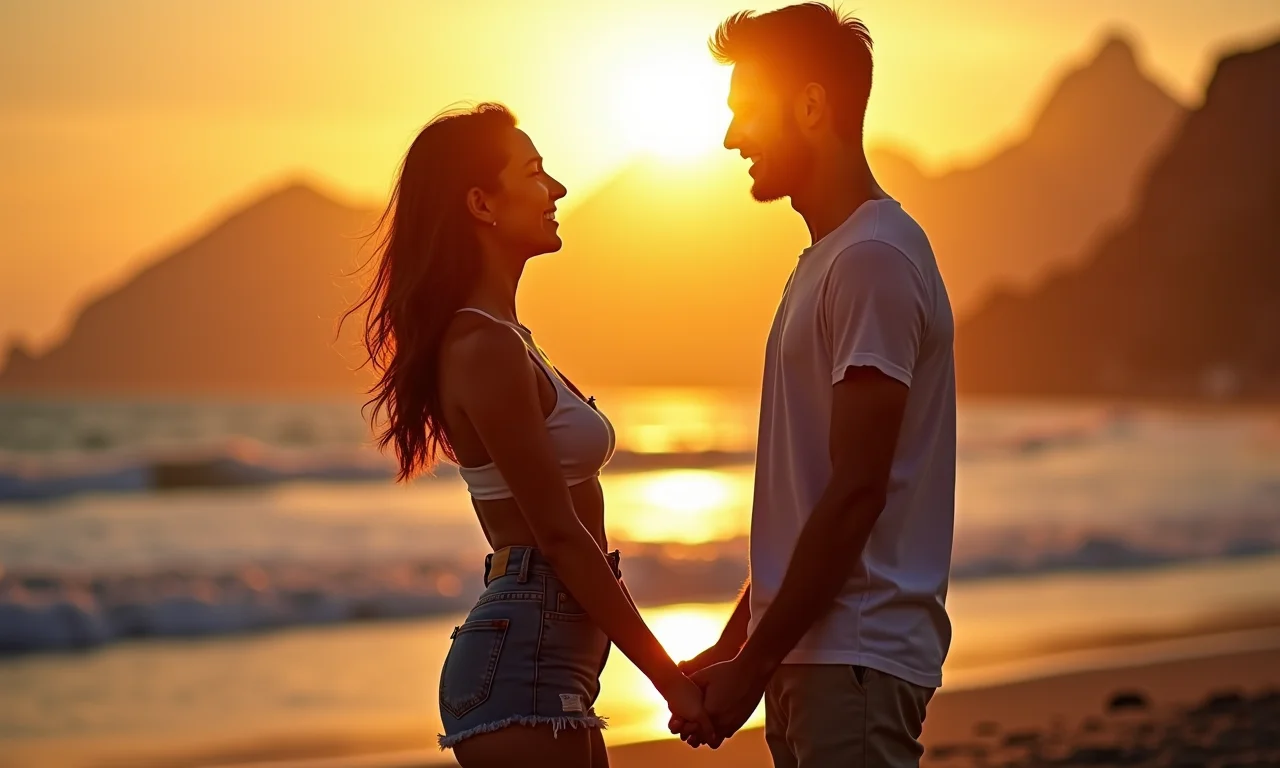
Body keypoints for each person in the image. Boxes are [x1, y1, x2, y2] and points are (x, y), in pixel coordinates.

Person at [346, 103, 714, 768]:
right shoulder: (483, 346)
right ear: (482, 205)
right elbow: (562, 536)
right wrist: (671, 682)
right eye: (536, 173)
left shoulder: (506, 341)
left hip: (549, 662)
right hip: (523, 666)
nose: (559, 190)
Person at [670, 4, 957, 766]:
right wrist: (734, 651)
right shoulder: (830, 260)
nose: (733, 139)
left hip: (853, 658)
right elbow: (808, 504)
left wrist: (754, 665)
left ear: (810, 105)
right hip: (816, 657)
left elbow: (856, 491)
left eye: (747, 113)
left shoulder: (873, 260)